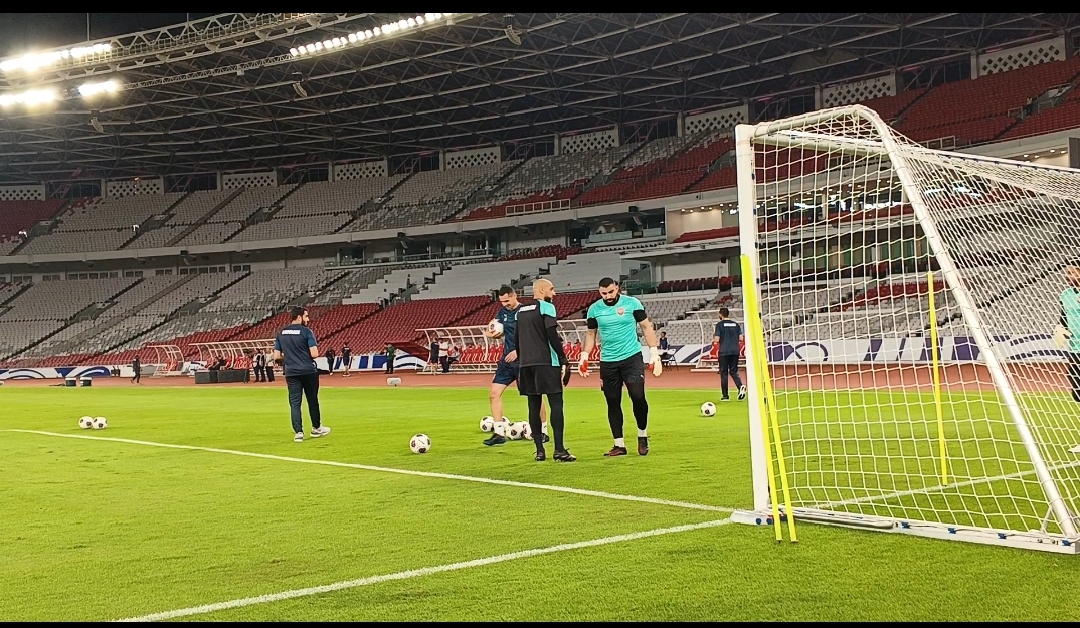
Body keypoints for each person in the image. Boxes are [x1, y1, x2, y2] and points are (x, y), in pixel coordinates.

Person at [579, 277, 663, 457]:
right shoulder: (594, 310)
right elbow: (591, 335)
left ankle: (642, 435)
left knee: (638, 397)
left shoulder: (632, 303)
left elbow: (646, 327)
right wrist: (584, 355)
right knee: (612, 401)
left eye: (610, 292)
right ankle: (619, 444)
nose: (608, 296)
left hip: (631, 357)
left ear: (617, 288)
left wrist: (654, 353)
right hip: (608, 361)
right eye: (604, 293)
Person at [515, 278, 575, 462]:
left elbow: (517, 340)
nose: (554, 293)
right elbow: (551, 335)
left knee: (533, 406)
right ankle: (559, 449)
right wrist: (564, 358)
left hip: (526, 364)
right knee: (556, 404)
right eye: (551, 289)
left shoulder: (520, 311)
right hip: (547, 363)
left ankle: (540, 451)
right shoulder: (546, 307)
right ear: (541, 290)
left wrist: (522, 361)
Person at [483, 285, 549, 447]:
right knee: (494, 394)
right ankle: (499, 433)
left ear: (514, 296)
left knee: (534, 396)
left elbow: (534, 336)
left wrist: (518, 351)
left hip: (524, 361)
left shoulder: (525, 311)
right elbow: (491, 328)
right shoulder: (502, 313)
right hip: (506, 361)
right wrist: (490, 333)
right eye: (502, 301)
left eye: (507, 300)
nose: (505, 303)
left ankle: (543, 431)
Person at [274, 306, 331, 443]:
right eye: (306, 316)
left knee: (295, 403)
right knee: (312, 400)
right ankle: (316, 428)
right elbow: (314, 354)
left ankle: (298, 432)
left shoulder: (281, 332)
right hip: (308, 371)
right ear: (299, 317)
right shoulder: (306, 332)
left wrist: (289, 358)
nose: (308, 319)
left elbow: (276, 356)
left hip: (291, 372)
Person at [1054, 261, 1080, 402]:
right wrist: (1060, 328)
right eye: (1066, 272)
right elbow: (1063, 316)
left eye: (1071, 273)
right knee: (1075, 384)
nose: (1067, 276)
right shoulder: (1065, 295)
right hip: (1075, 345)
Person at [713, 307, 747, 402]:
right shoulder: (736, 325)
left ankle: (725, 396)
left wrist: (715, 340)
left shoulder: (719, 325)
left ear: (720, 314)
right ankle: (740, 386)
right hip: (735, 351)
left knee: (724, 373)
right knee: (733, 371)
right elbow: (741, 338)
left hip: (724, 351)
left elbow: (717, 340)